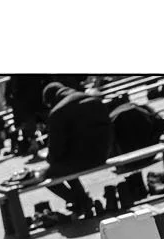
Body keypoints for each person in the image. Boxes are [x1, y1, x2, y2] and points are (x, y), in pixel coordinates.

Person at [41, 80, 112, 214]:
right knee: (65, 165)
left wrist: (49, 158)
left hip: (81, 161)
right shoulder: (92, 99)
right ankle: (82, 200)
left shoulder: (57, 112)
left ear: (50, 101)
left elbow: (55, 152)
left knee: (47, 173)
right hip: (103, 154)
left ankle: (79, 200)